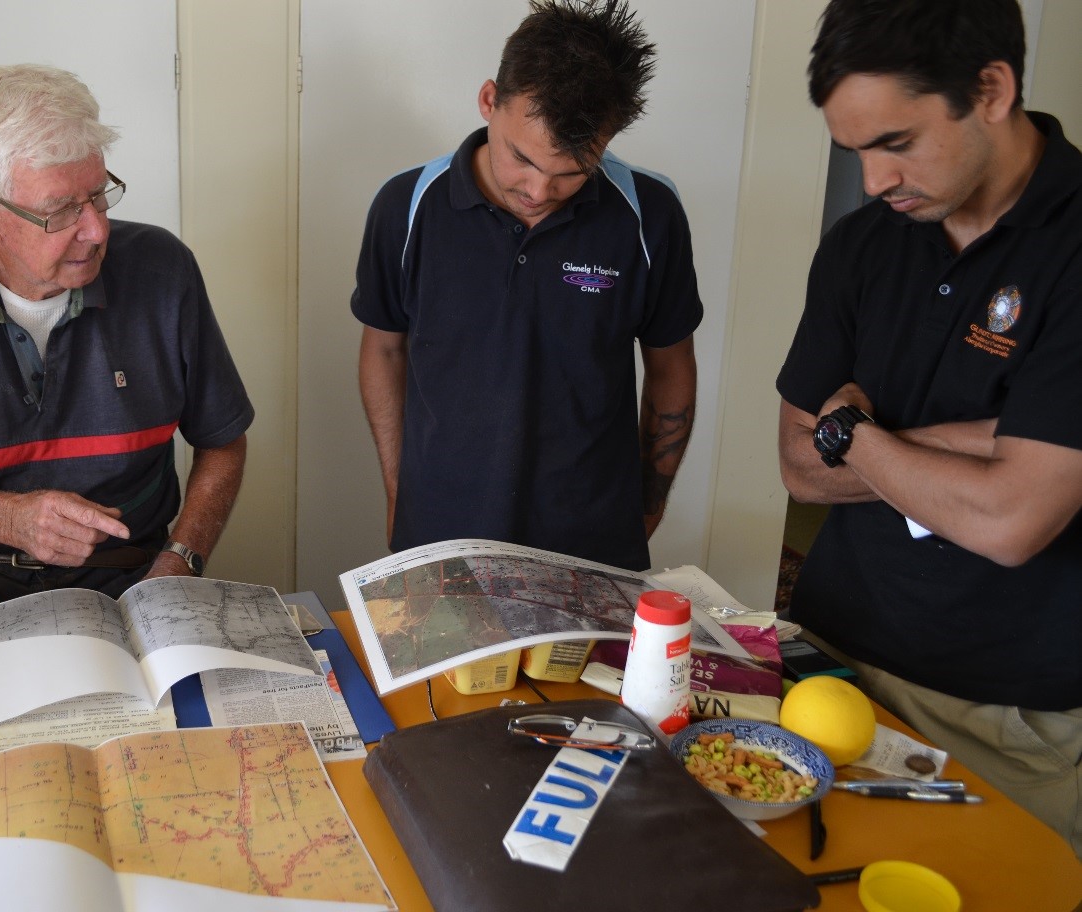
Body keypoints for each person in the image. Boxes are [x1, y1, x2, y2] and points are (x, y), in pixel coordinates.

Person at [776, 0, 1082, 855]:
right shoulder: (859, 246)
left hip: (1005, 711)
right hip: (828, 660)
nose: (874, 180)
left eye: (896, 143)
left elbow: (1010, 521)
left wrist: (859, 434)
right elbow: (798, 465)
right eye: (856, 151)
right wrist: (983, 440)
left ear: (990, 89)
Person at [0, 64, 253, 650]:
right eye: (60, 210)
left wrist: (180, 560)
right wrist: (7, 520)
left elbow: (222, 439)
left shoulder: (164, 270)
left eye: (98, 195)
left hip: (134, 583)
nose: (95, 229)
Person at [353, 0, 701, 572]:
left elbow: (671, 365)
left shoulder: (649, 215)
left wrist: (648, 503)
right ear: (490, 100)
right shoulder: (406, 207)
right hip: (440, 532)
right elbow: (384, 348)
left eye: (570, 172)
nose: (539, 190)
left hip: (591, 539)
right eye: (522, 159)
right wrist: (399, 489)